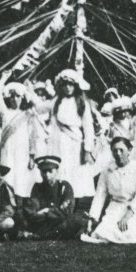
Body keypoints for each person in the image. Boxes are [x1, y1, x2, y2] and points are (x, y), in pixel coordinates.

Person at [81, 136, 136, 244]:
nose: (118, 153)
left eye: (121, 150)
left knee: (129, 233)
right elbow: (100, 195)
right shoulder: (106, 170)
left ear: (129, 150)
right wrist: (92, 219)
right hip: (115, 207)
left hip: (135, 209)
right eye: (115, 150)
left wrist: (126, 217)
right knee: (102, 232)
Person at [45, 69, 96, 199]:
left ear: (75, 86)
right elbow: (41, 108)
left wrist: (87, 149)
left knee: (76, 173)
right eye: (65, 85)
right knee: (62, 171)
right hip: (59, 143)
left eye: (70, 84)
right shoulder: (56, 101)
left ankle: (75, 202)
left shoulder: (82, 102)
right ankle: (61, 200)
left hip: (75, 143)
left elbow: (88, 127)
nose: (68, 87)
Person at [0, 73, 42, 199]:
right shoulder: (5, 112)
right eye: (12, 96)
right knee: (8, 174)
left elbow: (32, 136)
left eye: (18, 96)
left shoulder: (27, 114)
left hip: (22, 150)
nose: (14, 99)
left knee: (21, 176)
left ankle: (21, 202)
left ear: (23, 98)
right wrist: (3, 78)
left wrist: (32, 156)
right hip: (8, 149)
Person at [16, 155, 85, 240]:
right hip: (43, 223)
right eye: (44, 172)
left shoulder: (64, 186)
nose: (47, 175)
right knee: (22, 216)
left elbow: (67, 211)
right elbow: (31, 212)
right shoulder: (37, 187)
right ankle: (46, 235)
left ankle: (41, 236)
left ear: (57, 171)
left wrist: (47, 211)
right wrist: (52, 214)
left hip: (59, 223)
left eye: (50, 171)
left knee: (74, 220)